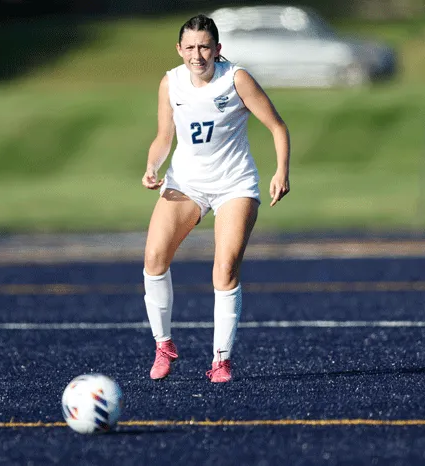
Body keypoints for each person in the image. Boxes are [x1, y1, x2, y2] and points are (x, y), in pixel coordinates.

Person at [141, 14, 290, 383]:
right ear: (179, 50)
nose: (197, 54)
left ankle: (220, 360)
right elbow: (164, 136)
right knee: (154, 258)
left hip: (234, 184)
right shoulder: (171, 83)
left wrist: (281, 171)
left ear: (218, 49)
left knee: (225, 268)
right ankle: (164, 345)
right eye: (190, 47)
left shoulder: (236, 79)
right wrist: (151, 166)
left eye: (204, 46)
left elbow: (277, 126)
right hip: (186, 183)